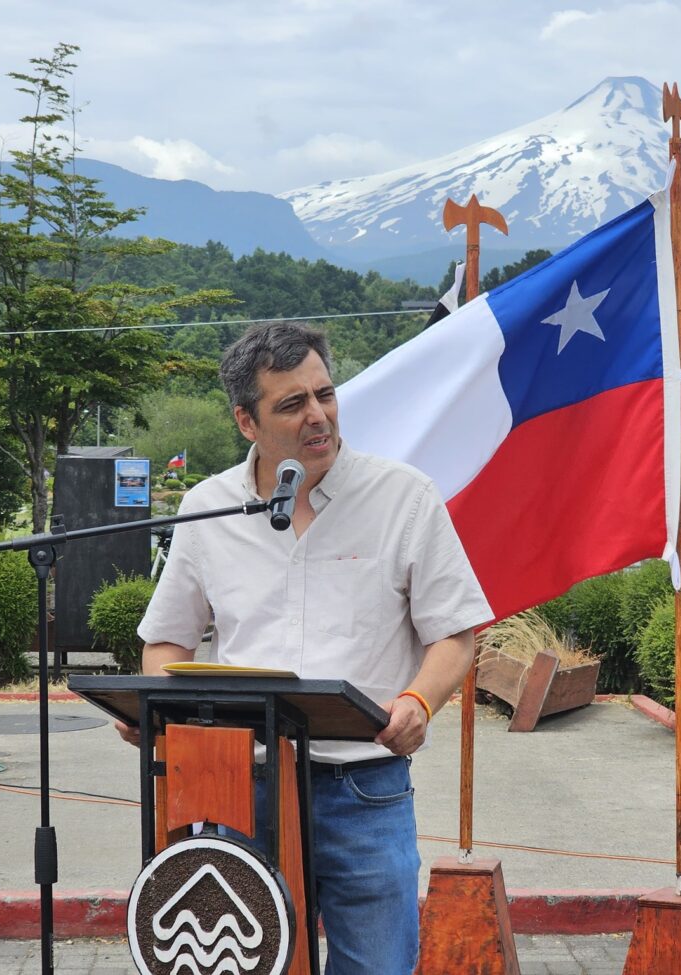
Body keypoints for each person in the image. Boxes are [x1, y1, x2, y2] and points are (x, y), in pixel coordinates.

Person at [116, 321, 492, 975]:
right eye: (292, 403)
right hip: (242, 783)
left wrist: (419, 701)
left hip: (364, 786)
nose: (317, 415)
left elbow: (457, 630)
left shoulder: (403, 497)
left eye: (324, 393)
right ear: (246, 420)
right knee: (242, 965)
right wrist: (163, 713)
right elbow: (166, 640)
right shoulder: (210, 508)